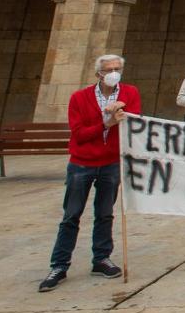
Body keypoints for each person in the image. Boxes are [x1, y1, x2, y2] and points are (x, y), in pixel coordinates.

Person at [38, 54, 141, 292]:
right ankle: (59, 265)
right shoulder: (79, 98)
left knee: (105, 213)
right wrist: (106, 124)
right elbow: (79, 133)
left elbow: (135, 120)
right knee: (71, 215)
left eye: (117, 68)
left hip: (110, 163)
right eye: (109, 69)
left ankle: (101, 259)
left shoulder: (129, 93)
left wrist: (122, 114)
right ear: (99, 74)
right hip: (82, 164)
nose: (114, 72)